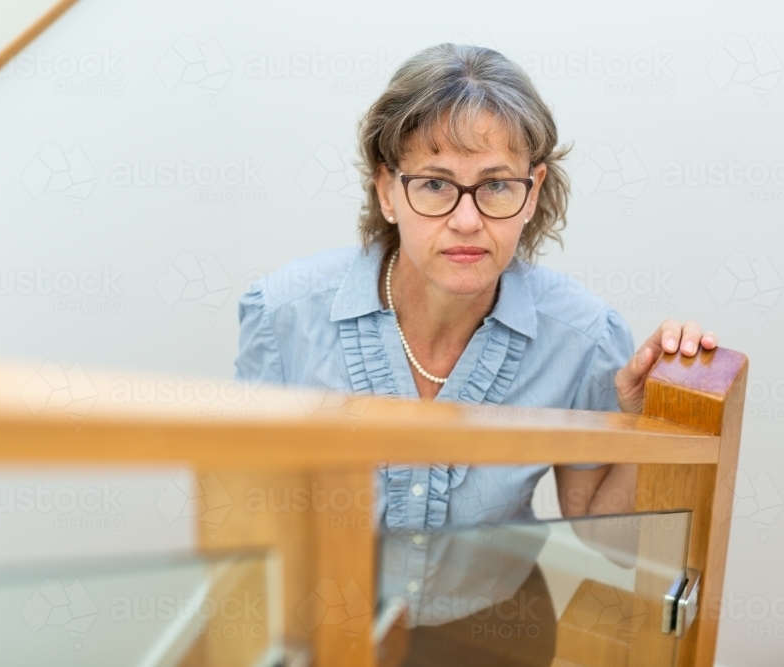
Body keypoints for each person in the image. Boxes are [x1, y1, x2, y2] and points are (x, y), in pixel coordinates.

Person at [234, 43, 717, 664]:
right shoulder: (283, 315)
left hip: (496, 630)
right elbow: (252, 514)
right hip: (326, 626)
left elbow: (607, 534)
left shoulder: (585, 336)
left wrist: (642, 424)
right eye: (434, 185)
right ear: (387, 190)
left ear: (533, 189)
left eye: (495, 185)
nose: (466, 220)